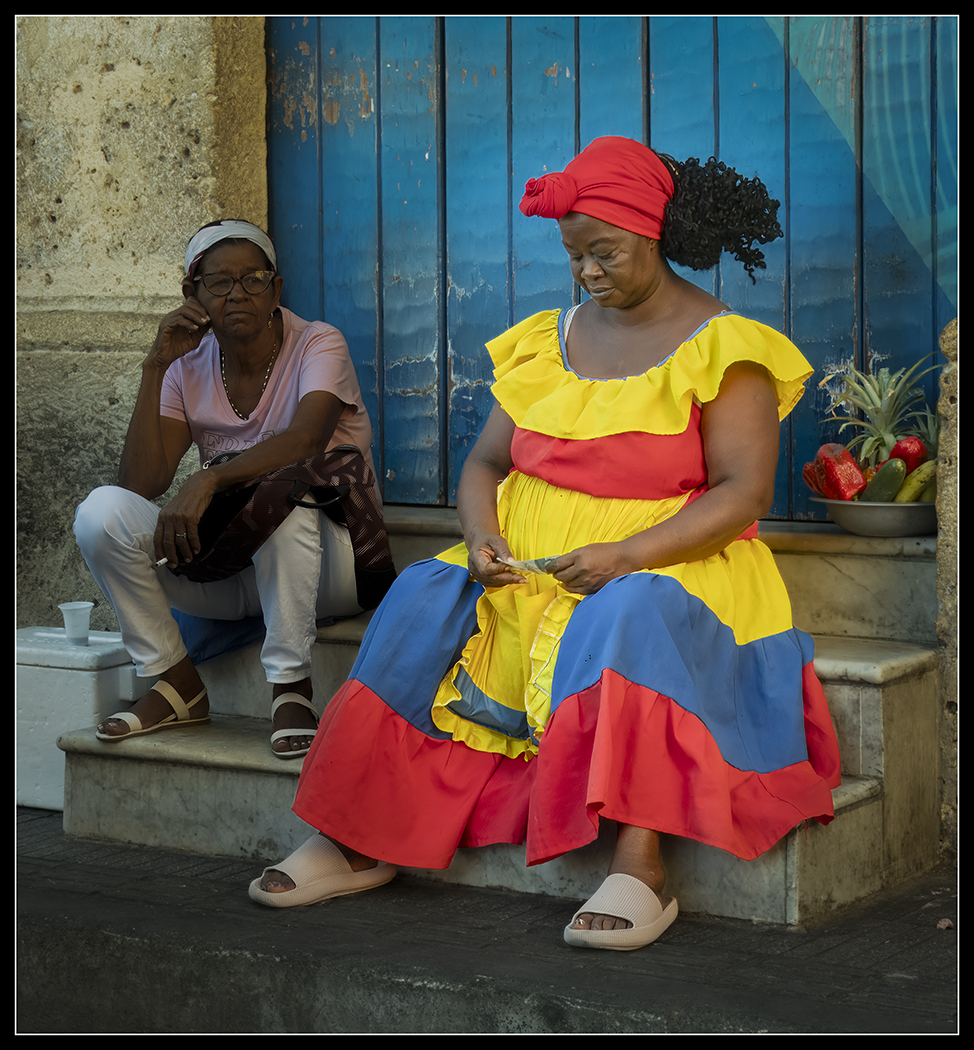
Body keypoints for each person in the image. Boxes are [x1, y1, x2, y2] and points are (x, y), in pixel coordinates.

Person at [247, 138, 842, 950]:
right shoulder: (546, 337)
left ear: (655, 233)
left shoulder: (723, 345)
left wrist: (625, 556)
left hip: (670, 561)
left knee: (623, 615)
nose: (588, 272)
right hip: (527, 561)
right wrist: (482, 540)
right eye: (574, 255)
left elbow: (743, 496)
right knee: (425, 593)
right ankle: (355, 837)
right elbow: (487, 462)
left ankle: (640, 865)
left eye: (606, 252)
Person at [74, 219, 382, 759]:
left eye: (254, 279)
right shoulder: (183, 367)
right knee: (101, 513)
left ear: (276, 289)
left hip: (334, 565)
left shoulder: (318, 342)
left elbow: (308, 440)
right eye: (218, 282)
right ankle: (174, 683)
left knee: (286, 495)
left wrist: (210, 476)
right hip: (233, 571)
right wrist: (155, 365)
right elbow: (141, 484)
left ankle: (291, 687)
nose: (237, 293)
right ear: (191, 293)